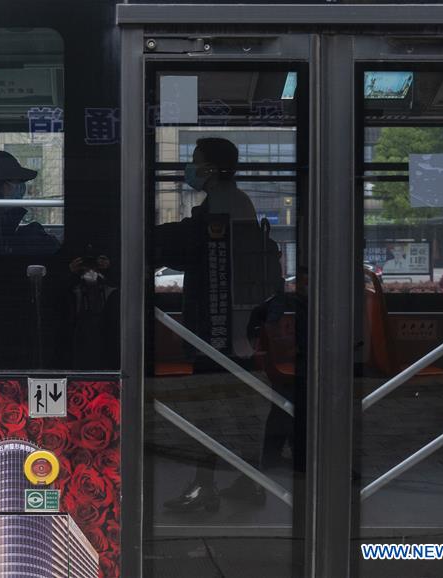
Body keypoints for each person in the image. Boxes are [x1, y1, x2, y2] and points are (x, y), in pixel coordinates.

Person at [155, 137, 283, 512]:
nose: (189, 169)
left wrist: (144, 235)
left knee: (207, 405)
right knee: (233, 404)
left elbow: (190, 246)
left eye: (195, 162)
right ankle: (247, 482)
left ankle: (204, 487)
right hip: (232, 325)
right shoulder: (231, 201)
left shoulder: (223, 206)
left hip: (220, 325)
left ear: (210, 168)